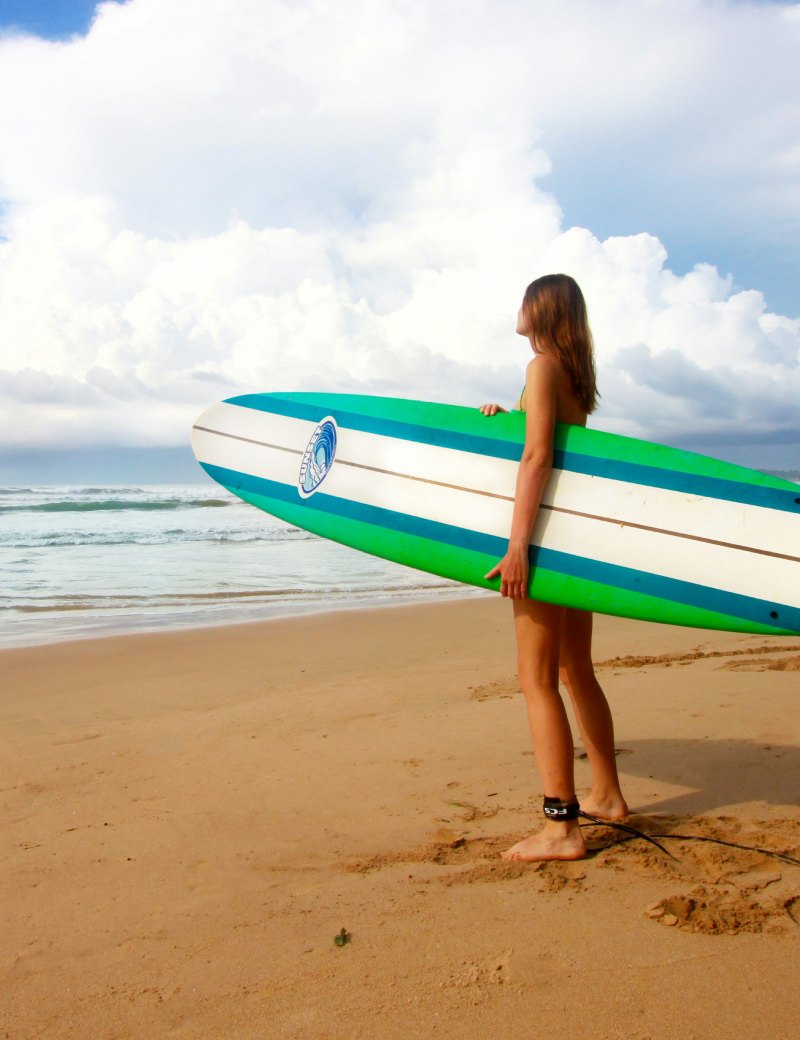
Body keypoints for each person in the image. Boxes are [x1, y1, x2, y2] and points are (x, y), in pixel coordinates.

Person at [480, 274, 628, 862]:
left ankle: (561, 827)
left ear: (540, 309)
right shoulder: (569, 374)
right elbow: (543, 441)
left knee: (536, 679)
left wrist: (517, 548)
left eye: (523, 301)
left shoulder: (541, 367)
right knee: (576, 671)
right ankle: (609, 795)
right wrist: (501, 417)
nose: (515, 310)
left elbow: (538, 457)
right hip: (573, 541)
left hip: (540, 540)